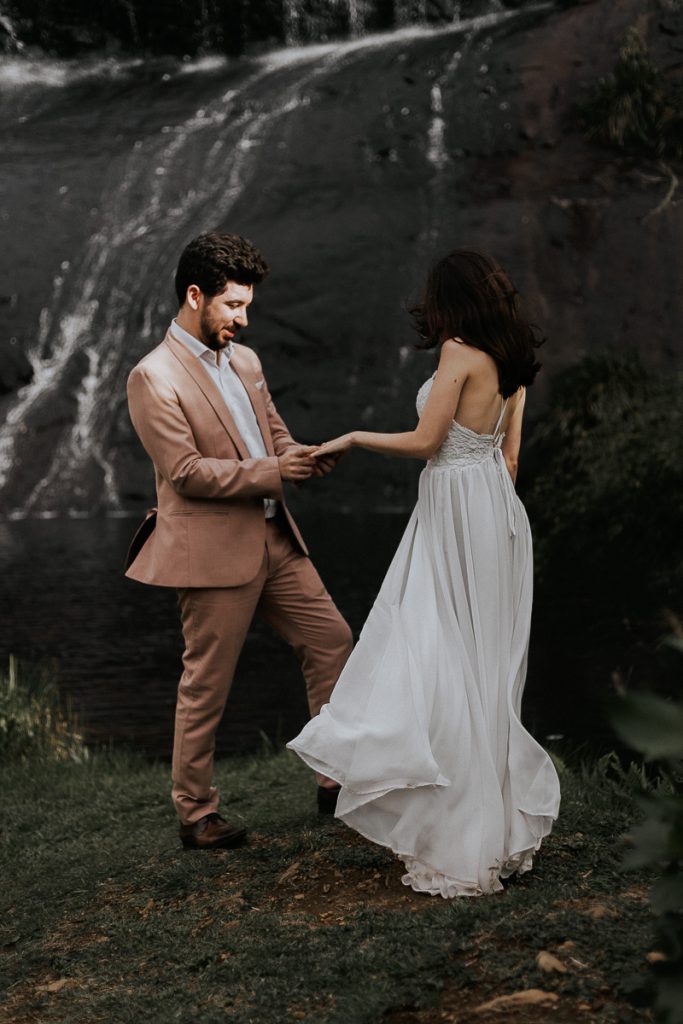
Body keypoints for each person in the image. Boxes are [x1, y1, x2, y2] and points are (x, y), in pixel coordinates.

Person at [287, 249, 561, 897]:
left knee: (430, 648)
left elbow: (422, 442)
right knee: (485, 673)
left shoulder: (458, 352)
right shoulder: (514, 365)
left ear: (450, 303)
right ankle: (493, 835)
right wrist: (482, 500)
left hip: (452, 506)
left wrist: (352, 438)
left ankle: (457, 836)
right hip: (496, 512)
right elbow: (511, 461)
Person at [125, 232, 352, 850]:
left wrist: (303, 455)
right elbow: (186, 473)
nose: (243, 319)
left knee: (333, 640)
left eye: (247, 306)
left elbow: (274, 438)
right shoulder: (153, 377)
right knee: (207, 684)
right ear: (195, 295)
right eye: (232, 306)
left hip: (276, 537)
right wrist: (278, 471)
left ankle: (336, 779)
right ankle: (196, 814)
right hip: (212, 552)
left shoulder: (247, 361)